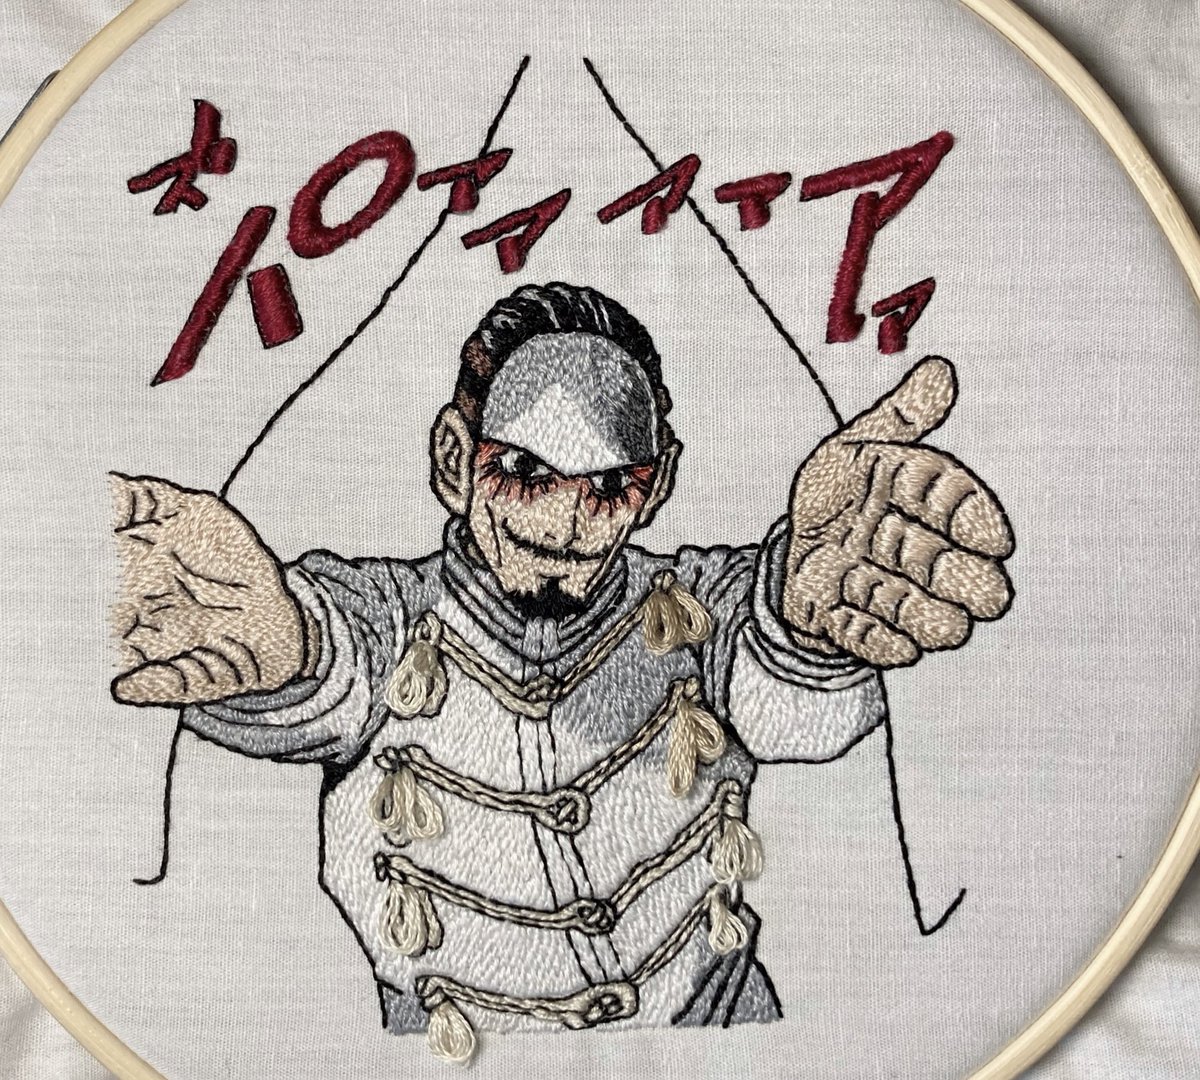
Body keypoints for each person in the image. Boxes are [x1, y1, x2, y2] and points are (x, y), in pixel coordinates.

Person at [110, 282, 1013, 1063]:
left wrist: (804, 630)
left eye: (610, 488)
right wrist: (277, 650)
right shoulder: (385, 619)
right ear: (454, 460)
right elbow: (325, 662)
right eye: (523, 471)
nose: (566, 524)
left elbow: (787, 709)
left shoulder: (701, 602)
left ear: (658, 486)